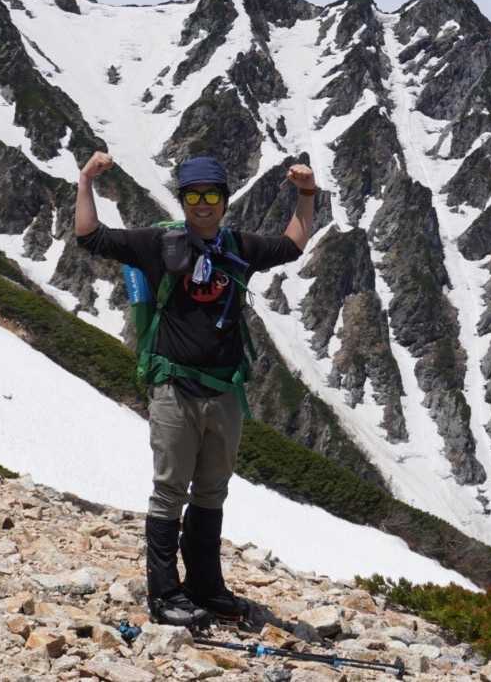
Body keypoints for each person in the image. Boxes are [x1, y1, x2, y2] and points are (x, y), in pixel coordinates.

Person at [75, 153, 316, 628]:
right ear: (183, 200)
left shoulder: (240, 247)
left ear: (224, 200)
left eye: (211, 195)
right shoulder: (156, 244)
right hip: (174, 389)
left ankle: (205, 586)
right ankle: (164, 594)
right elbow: (91, 236)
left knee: (211, 491)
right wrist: (85, 180)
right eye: (193, 196)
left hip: (224, 393)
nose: (202, 204)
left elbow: (293, 244)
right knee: (169, 491)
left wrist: (307, 193)